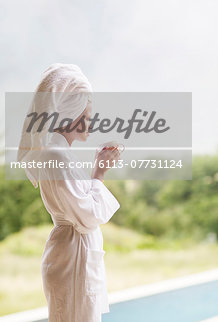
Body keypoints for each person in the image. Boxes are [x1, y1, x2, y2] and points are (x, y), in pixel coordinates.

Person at [17, 63, 121, 322]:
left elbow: (81, 208)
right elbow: (87, 216)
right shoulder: (56, 155)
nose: (92, 121)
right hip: (72, 259)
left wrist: (98, 168)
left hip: (73, 254)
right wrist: (99, 173)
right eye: (88, 114)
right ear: (70, 114)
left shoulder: (59, 154)